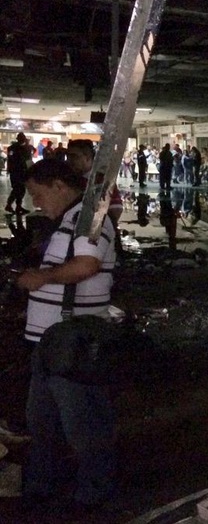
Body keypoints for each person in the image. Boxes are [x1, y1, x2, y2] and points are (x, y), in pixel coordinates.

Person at [14, 159, 117, 510]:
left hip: (72, 344)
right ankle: (43, 486)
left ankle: (93, 495)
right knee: (42, 422)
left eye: (38, 195)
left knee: (84, 424)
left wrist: (41, 278)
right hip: (49, 342)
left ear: (59, 186)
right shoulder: (67, 221)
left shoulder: (89, 217)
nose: (35, 203)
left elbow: (87, 265)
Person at [5, 132, 33, 214]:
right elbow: (10, 159)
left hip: (21, 171)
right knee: (18, 189)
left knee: (20, 190)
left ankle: (17, 206)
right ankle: (10, 205)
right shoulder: (13, 148)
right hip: (16, 172)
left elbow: (28, 160)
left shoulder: (23, 148)